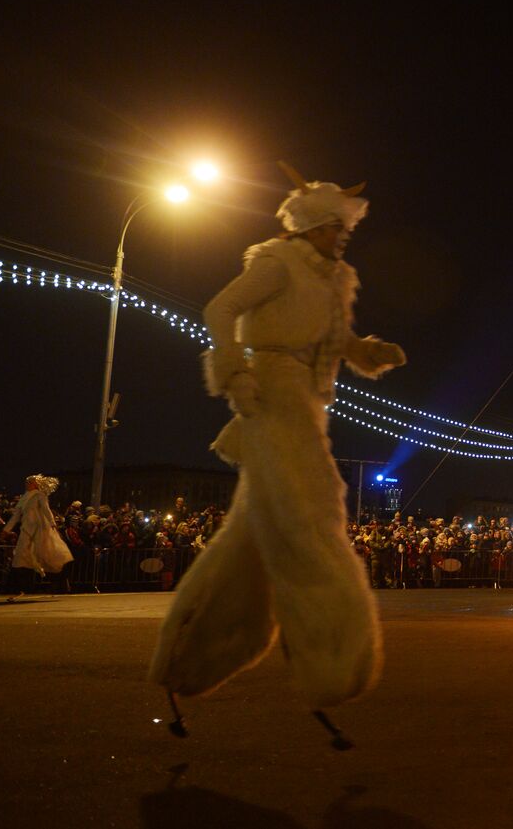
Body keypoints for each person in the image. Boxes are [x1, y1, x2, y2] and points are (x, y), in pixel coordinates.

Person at [148, 163, 407, 748]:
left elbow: (330, 342)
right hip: (270, 400)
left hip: (304, 407)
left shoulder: (336, 277)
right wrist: (235, 375)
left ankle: (185, 662)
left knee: (252, 540)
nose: (343, 235)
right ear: (311, 223)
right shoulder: (276, 261)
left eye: (346, 228)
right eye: (335, 226)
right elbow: (220, 311)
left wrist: (366, 351)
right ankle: (335, 663)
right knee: (309, 523)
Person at [0, 474, 74, 600]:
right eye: (26, 481)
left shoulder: (39, 495)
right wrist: (6, 529)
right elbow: (16, 516)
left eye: (30, 482)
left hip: (39, 530)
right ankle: (20, 588)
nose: (27, 483)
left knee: (45, 555)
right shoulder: (24, 498)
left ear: (36, 484)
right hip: (26, 531)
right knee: (20, 557)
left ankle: (59, 583)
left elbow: (46, 510)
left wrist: (52, 524)